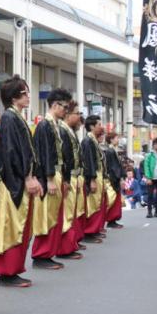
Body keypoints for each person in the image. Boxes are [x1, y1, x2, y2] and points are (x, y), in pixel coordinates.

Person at [0, 75, 42, 287]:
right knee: (14, 225)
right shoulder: (10, 118)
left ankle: (14, 269)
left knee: (20, 224)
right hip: (14, 181)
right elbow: (12, 153)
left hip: (19, 179)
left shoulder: (15, 117)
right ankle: (7, 272)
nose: (28, 97)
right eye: (24, 93)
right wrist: (27, 177)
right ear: (13, 97)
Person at [30, 89, 71, 271]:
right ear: (55, 105)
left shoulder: (54, 125)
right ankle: (41, 254)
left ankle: (48, 253)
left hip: (55, 174)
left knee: (54, 216)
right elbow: (44, 154)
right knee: (46, 216)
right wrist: (49, 179)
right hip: (49, 176)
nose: (66, 111)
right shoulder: (45, 125)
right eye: (65, 107)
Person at [56, 102, 86, 260]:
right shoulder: (62, 131)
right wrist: (66, 179)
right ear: (68, 115)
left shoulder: (69, 131)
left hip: (73, 176)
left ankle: (70, 244)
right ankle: (63, 248)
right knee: (66, 214)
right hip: (67, 177)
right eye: (77, 113)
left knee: (71, 212)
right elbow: (65, 158)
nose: (79, 116)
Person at [80, 115, 108, 242]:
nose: (100, 127)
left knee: (97, 204)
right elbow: (89, 161)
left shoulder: (93, 140)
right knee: (92, 205)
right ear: (91, 126)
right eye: (98, 125)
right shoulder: (87, 141)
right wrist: (91, 179)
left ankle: (94, 230)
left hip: (98, 175)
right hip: (93, 176)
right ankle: (88, 232)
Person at [102, 129, 125, 229]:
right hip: (113, 178)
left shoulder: (112, 150)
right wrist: (120, 178)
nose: (118, 140)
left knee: (116, 199)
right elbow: (114, 167)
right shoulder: (110, 151)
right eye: (116, 138)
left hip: (114, 177)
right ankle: (112, 220)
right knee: (114, 199)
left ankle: (113, 220)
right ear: (111, 140)